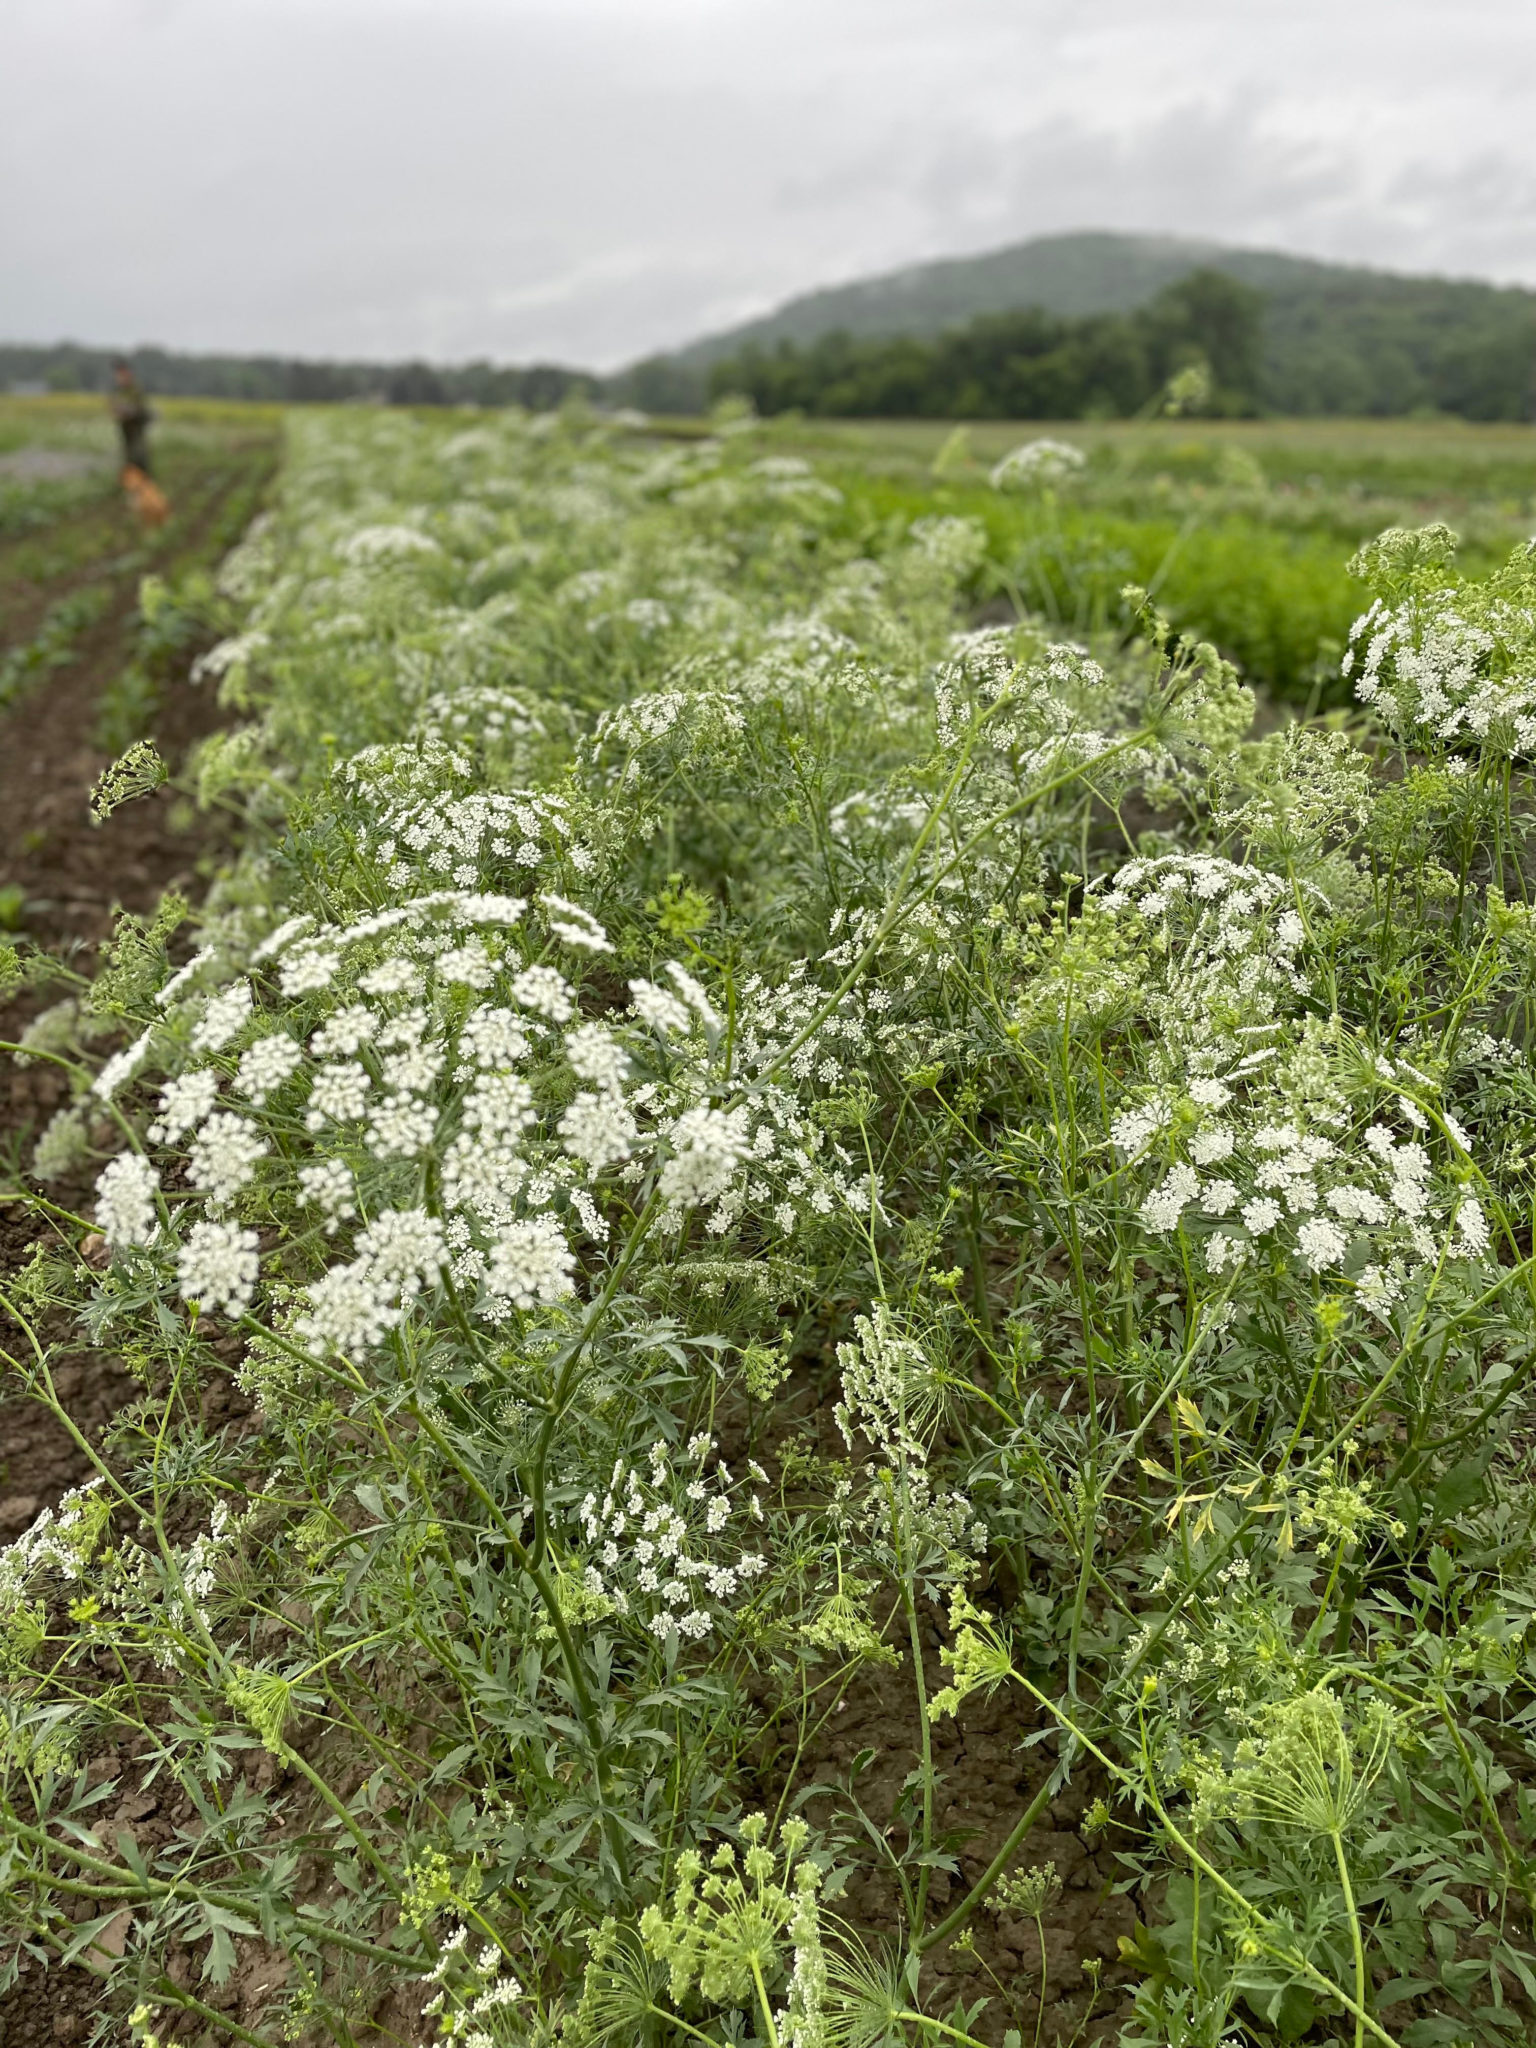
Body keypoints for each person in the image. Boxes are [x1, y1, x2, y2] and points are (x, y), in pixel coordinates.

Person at [109, 359, 153, 475]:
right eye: (118, 375)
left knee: (139, 461)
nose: (120, 377)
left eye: (122, 374)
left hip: (136, 433)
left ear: (128, 374)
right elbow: (113, 408)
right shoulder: (118, 391)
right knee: (129, 463)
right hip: (126, 433)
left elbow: (141, 411)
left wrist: (128, 411)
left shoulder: (136, 390)